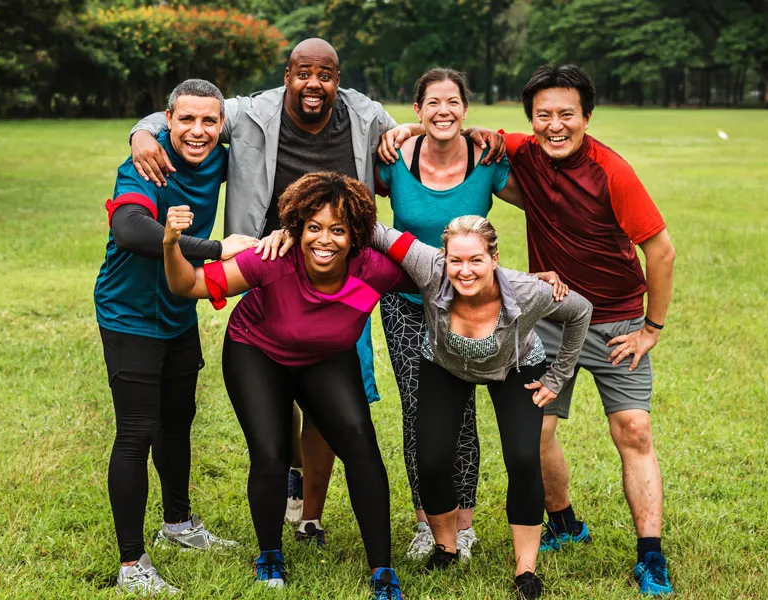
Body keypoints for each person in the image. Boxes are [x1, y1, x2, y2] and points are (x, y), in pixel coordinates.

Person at [129, 38, 505, 542]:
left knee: (332, 399)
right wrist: (142, 132)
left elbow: (425, 132)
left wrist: (472, 130)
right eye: (303, 73)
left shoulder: (363, 114)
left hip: (341, 271)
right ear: (287, 75)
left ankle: (310, 514)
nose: (314, 84)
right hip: (269, 262)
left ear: (338, 78)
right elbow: (187, 113)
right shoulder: (250, 113)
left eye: (325, 74)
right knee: (274, 385)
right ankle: (289, 479)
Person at [161, 172, 408, 599]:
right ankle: (270, 553)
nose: (324, 240)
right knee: (272, 452)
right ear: (296, 228)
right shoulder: (272, 260)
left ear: (356, 237)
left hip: (326, 356)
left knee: (362, 448)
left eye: (338, 230)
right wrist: (170, 244)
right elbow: (189, 285)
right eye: (313, 228)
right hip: (257, 350)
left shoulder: (375, 270)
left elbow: (445, 275)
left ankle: (382, 569)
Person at [503, 65, 676, 596]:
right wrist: (405, 131)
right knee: (537, 432)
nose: (555, 126)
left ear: (587, 117)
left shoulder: (611, 171)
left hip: (620, 320)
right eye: (543, 115)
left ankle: (651, 555)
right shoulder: (523, 152)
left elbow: (661, 251)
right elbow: (456, 129)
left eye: (567, 115)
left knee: (634, 431)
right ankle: (564, 523)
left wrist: (651, 328)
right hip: (552, 319)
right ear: (531, 119)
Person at [372, 216, 592, 599]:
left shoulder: (527, 291)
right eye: (456, 260)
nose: (465, 270)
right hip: (444, 363)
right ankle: (446, 547)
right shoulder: (430, 267)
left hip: (516, 367)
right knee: (433, 459)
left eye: (475, 260)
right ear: (443, 258)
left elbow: (580, 311)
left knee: (524, 458)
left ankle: (526, 570)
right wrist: (304, 221)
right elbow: (376, 230)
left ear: (494, 258)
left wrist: (557, 377)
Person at [94, 79, 253, 595]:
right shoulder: (146, 162)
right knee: (136, 433)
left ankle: (178, 525)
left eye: (210, 121)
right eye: (187, 119)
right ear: (167, 120)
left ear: (221, 124)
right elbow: (130, 230)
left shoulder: (221, 159)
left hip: (178, 306)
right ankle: (130, 564)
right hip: (130, 313)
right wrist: (212, 248)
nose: (198, 131)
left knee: (177, 421)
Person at [373, 68, 525, 562]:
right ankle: (426, 521)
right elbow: (352, 193)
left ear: (466, 108)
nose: (444, 111)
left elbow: (542, 198)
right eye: (432, 103)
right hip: (406, 302)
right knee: (419, 409)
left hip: (469, 307)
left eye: (453, 102)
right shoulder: (393, 158)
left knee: (462, 412)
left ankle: (464, 522)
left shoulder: (486, 160)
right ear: (416, 110)